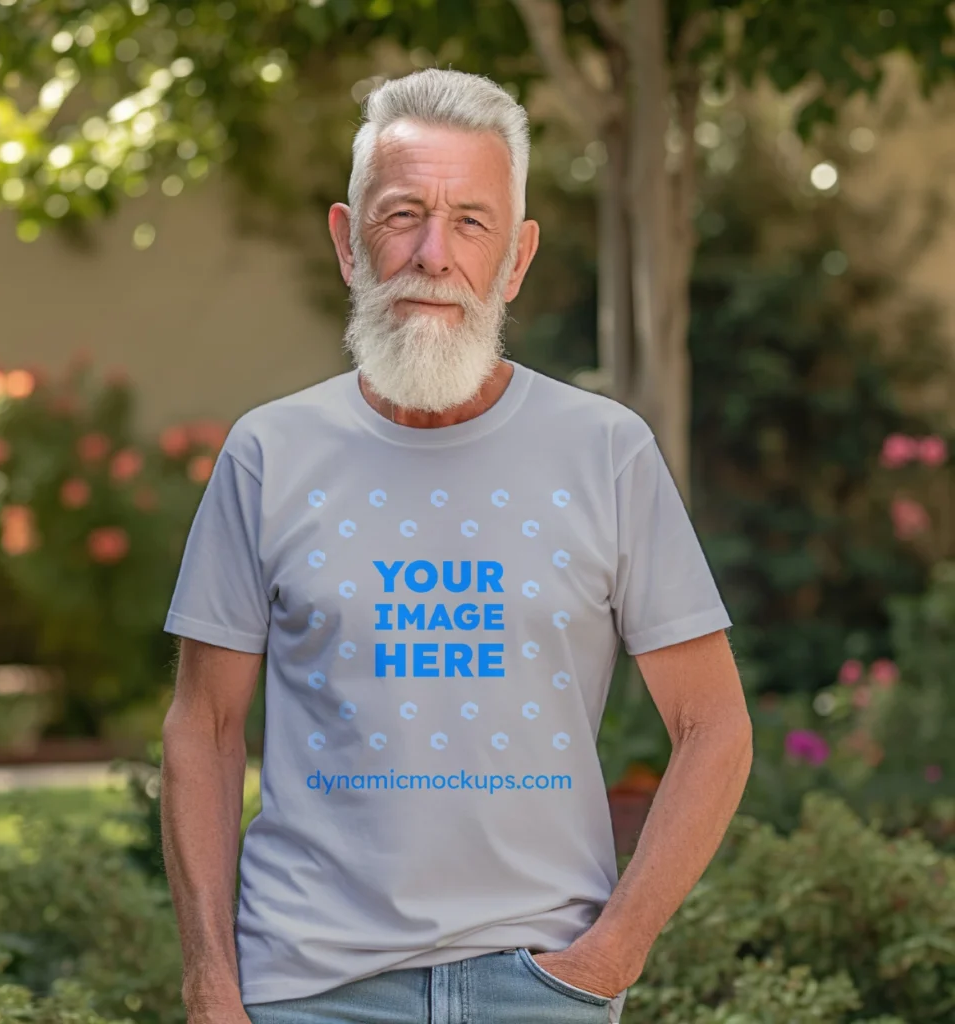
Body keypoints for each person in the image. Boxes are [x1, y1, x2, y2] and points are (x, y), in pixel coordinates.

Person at [160, 68, 752, 1024]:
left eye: (470, 222)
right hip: (310, 991)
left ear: (516, 261)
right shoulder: (268, 453)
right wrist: (212, 989)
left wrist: (609, 958)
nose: (432, 255)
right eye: (402, 214)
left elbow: (714, 727)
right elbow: (205, 729)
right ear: (349, 242)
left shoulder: (605, 452)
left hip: (540, 988)